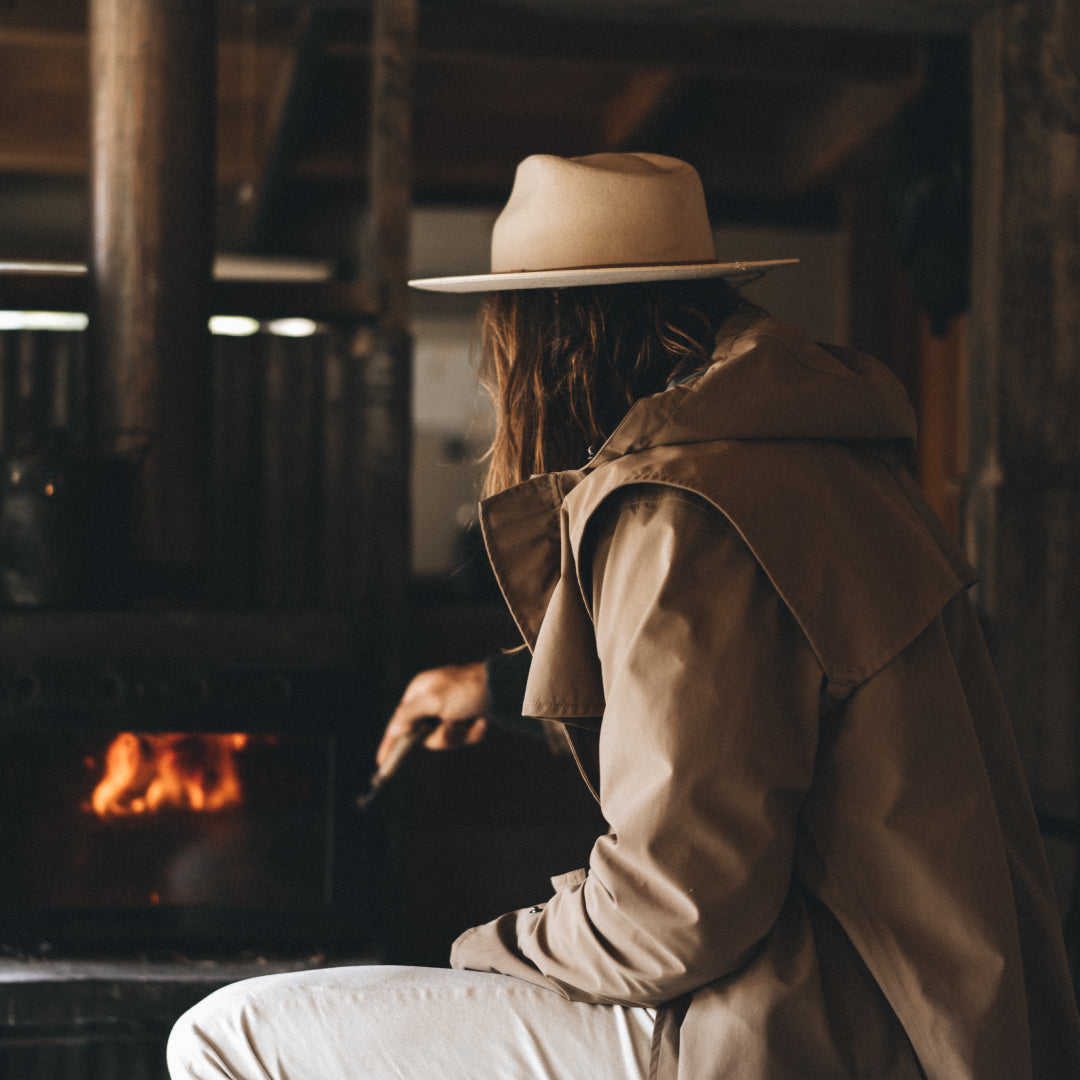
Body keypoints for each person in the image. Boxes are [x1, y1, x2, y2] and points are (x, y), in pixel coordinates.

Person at [167, 152, 1080, 1080]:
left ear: (549, 334)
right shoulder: (823, 461)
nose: (494, 374)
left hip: (803, 1028)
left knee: (223, 1034)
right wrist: (491, 685)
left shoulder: (678, 506)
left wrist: (487, 951)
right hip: (929, 1017)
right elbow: (760, 686)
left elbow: (672, 914)